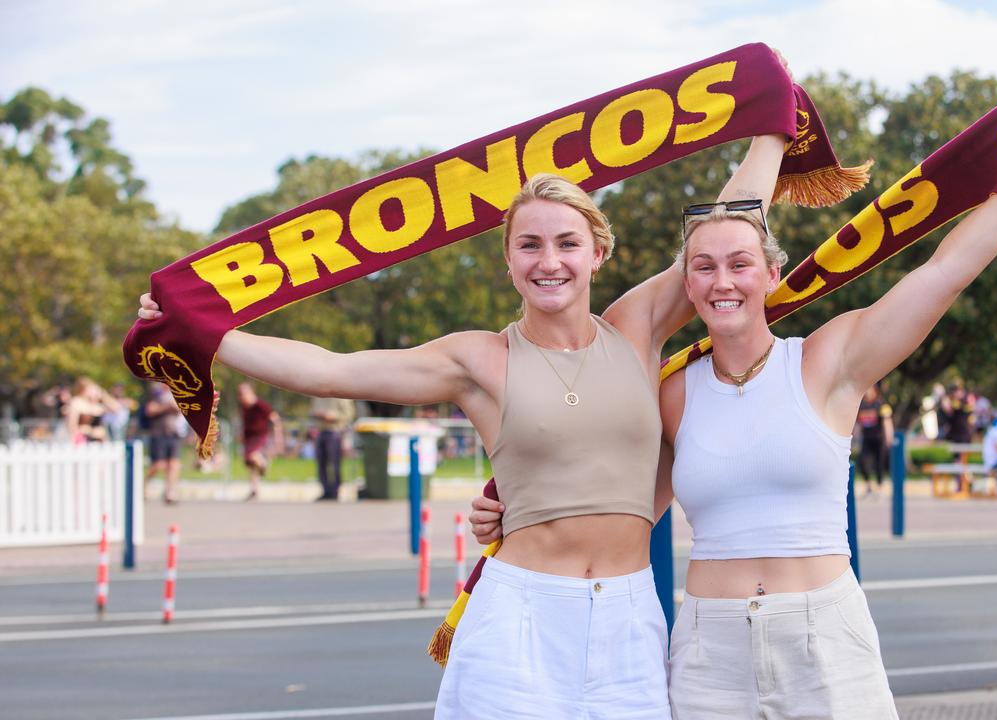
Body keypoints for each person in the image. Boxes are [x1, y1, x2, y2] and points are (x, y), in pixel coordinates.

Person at [140, 120, 789, 717]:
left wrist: (772, 135)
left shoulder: (635, 328)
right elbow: (332, 369)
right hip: (521, 620)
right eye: (528, 245)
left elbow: (731, 225)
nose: (548, 260)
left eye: (567, 242)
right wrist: (202, 333)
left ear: (597, 253)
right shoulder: (479, 359)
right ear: (508, 261)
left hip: (630, 620)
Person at [473, 96, 997, 720]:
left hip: (826, 643)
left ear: (771, 272)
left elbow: (944, 272)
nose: (721, 280)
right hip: (708, 656)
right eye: (702, 267)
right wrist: (514, 511)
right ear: (689, 283)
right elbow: (614, 505)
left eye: (739, 263)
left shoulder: (829, 360)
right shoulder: (671, 394)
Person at [238, 382, 282, 501]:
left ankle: (263, 464)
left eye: (243, 394)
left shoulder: (260, 405)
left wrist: (278, 436)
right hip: (249, 437)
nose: (241, 397)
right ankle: (254, 490)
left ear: (251, 393)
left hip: (260, 436)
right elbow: (244, 422)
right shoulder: (244, 407)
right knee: (251, 465)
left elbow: (275, 419)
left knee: (252, 456)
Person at [143, 381, 184, 504]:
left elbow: (181, 408)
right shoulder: (156, 392)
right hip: (159, 433)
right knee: (158, 464)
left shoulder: (177, 391)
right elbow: (150, 410)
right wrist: (166, 406)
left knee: (174, 464)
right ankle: (143, 486)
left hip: (173, 432)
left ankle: (170, 492)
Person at [309, 395, 355, 501]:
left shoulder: (341, 395)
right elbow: (312, 411)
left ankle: (335, 491)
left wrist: (333, 416)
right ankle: (326, 490)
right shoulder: (317, 396)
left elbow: (349, 414)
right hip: (321, 431)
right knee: (321, 463)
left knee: (335, 463)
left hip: (335, 432)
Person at [855, 384, 893, 495]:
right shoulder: (861, 405)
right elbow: (857, 423)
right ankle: (868, 486)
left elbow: (887, 422)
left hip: (879, 439)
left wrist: (889, 437)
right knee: (862, 461)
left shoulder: (881, 405)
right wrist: (854, 438)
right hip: (867, 438)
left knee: (879, 463)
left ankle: (880, 487)